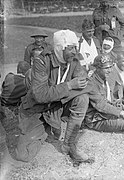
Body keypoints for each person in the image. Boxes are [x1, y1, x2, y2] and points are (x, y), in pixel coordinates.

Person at [14, 29, 93, 167]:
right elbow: (39, 95)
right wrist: (68, 85)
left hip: (55, 106)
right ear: (59, 48)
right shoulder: (41, 61)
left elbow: (86, 83)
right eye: (71, 48)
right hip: (36, 110)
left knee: (82, 98)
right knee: (23, 155)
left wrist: (72, 87)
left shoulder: (73, 59)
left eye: (76, 47)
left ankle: (68, 145)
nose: (75, 51)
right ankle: (44, 130)